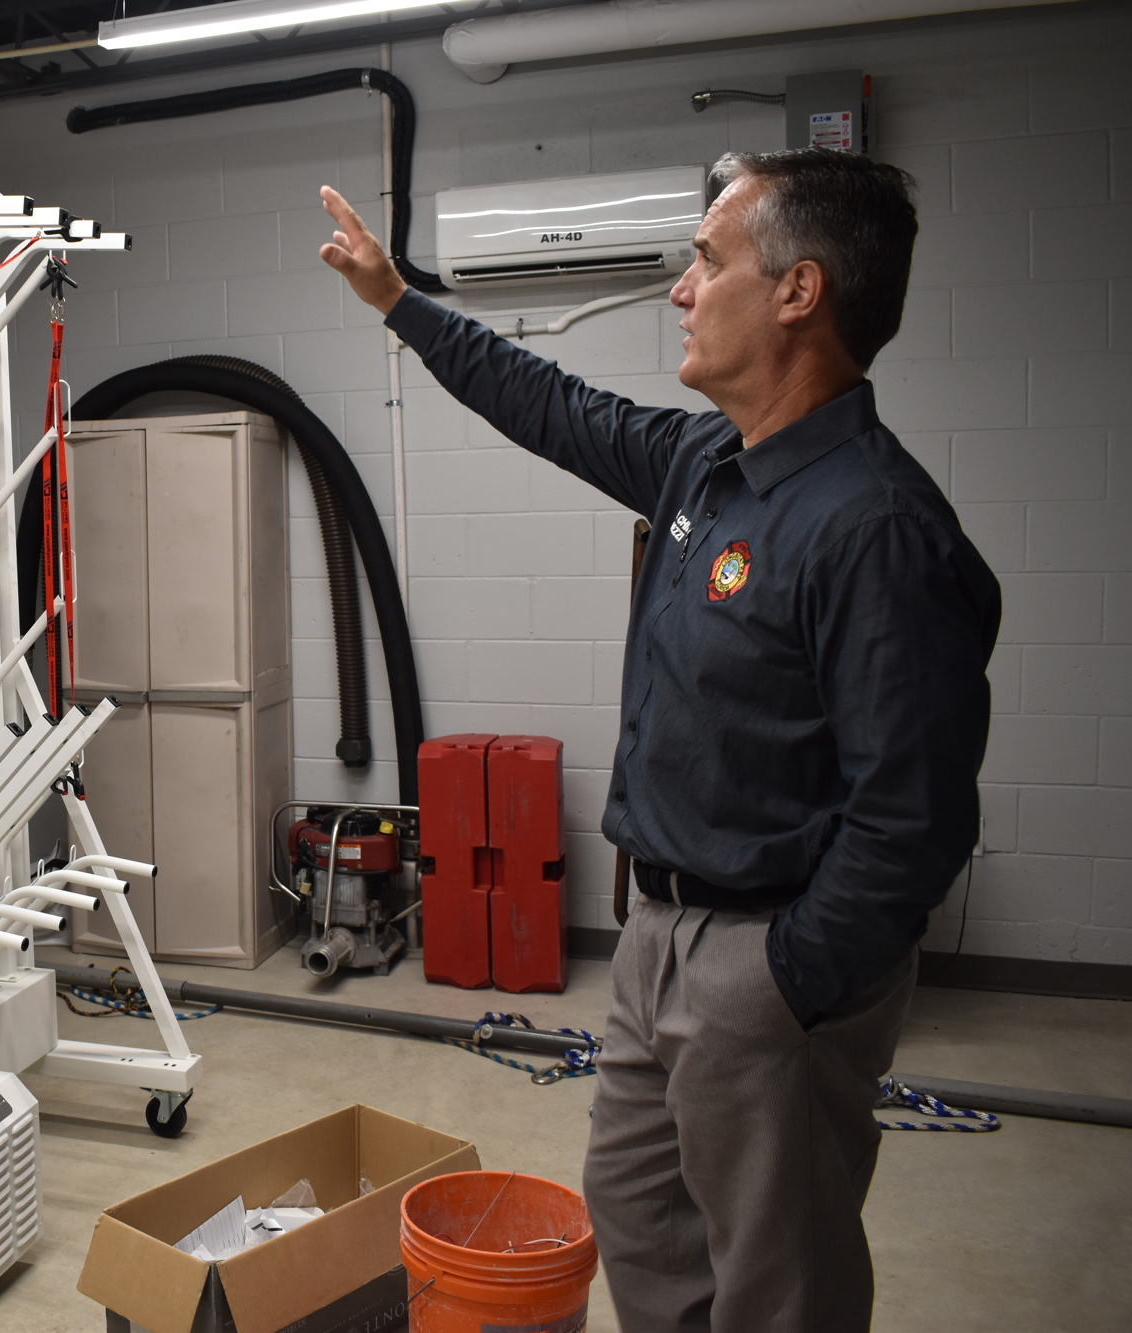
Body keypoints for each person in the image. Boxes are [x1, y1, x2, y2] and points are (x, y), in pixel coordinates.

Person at [319, 149, 999, 1332]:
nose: (679, 290)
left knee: (774, 1278)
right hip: (654, 938)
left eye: (704, 260)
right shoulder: (706, 462)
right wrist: (397, 302)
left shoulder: (875, 527)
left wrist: (787, 983)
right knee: (639, 1221)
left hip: (765, 958)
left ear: (797, 292)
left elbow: (913, 817)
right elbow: (546, 404)